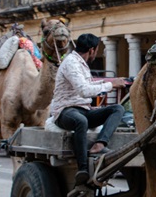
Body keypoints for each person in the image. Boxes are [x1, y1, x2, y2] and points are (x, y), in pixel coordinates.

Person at [49, 33, 126, 187]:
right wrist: (111, 85)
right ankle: (82, 168)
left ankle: (100, 144)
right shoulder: (71, 63)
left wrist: (111, 82)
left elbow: (88, 85)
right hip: (65, 111)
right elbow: (84, 90)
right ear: (91, 50)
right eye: (96, 50)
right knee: (81, 121)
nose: (96, 54)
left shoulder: (82, 64)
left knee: (117, 109)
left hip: (83, 109)